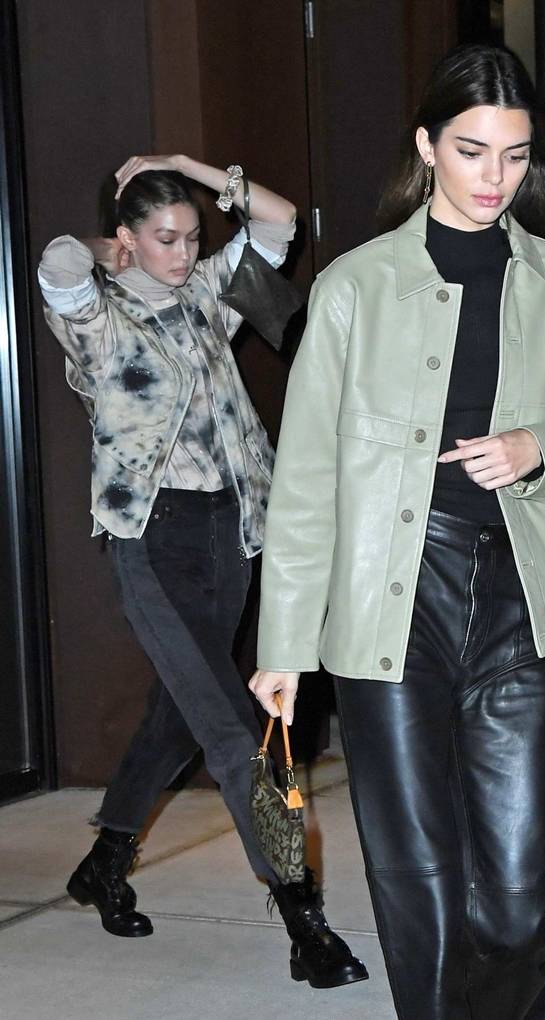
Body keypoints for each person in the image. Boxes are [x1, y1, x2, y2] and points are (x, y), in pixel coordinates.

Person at [250, 44, 545, 1020]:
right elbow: (306, 479)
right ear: (425, 146)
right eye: (470, 151)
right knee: (420, 885)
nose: (494, 178)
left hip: (514, 604)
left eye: (514, 155)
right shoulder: (354, 289)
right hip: (389, 604)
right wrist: (284, 643)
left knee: (518, 902)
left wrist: (538, 447)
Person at [39, 153, 367, 990]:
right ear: (127, 238)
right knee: (232, 731)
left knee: (181, 714)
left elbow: (279, 221)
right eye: (163, 238)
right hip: (150, 539)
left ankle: (105, 860)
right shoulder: (95, 315)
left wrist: (184, 165)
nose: (184, 253)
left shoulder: (207, 296)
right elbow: (58, 262)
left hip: (231, 531)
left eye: (192, 237)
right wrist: (105, 249)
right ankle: (302, 913)